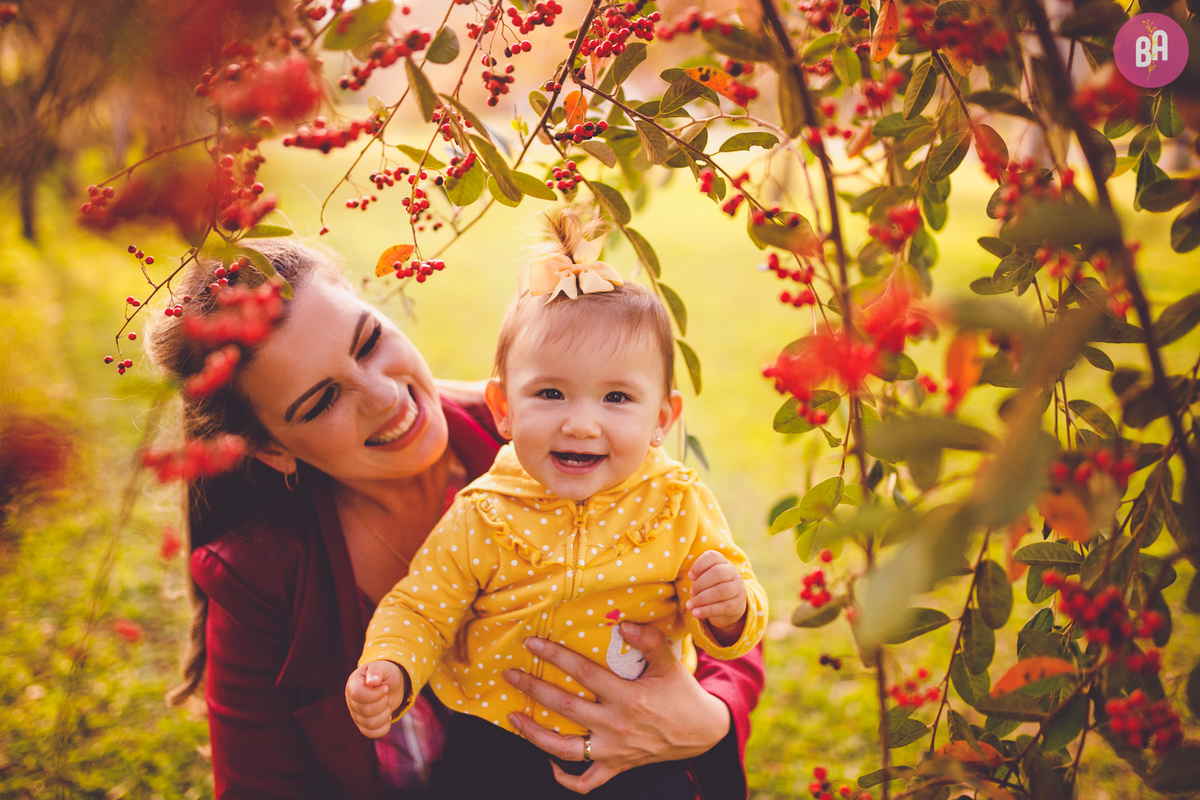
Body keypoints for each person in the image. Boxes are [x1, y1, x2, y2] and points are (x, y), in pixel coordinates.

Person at [144, 238, 765, 799]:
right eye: (323, 399)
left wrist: (706, 719)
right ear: (275, 448)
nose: (385, 396)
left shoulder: (586, 448)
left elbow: (713, 607)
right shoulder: (262, 576)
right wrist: (387, 669)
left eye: (369, 342)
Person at [346, 213, 768, 800]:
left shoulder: (678, 504)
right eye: (550, 393)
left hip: (638, 743)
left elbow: (728, 611)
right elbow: (423, 606)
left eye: (617, 397)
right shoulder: (485, 512)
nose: (581, 422)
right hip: (495, 741)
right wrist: (392, 666)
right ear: (503, 407)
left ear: (661, 420)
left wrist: (728, 609)